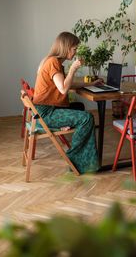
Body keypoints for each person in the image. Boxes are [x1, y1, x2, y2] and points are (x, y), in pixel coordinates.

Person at [33, 31, 102, 173]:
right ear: (66, 47)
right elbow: (64, 89)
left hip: (46, 110)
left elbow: (66, 84)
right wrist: (73, 69)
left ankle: (83, 160)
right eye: (74, 49)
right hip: (46, 114)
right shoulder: (53, 62)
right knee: (87, 118)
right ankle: (74, 160)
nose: (76, 52)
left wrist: (91, 84)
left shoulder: (53, 61)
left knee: (80, 109)